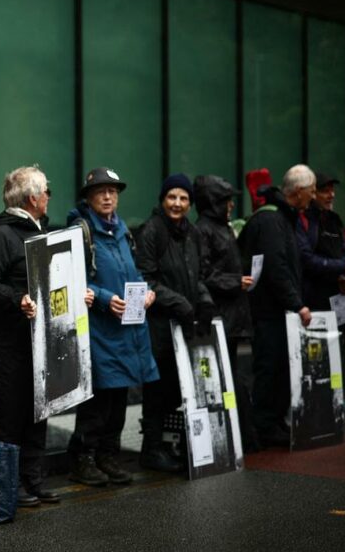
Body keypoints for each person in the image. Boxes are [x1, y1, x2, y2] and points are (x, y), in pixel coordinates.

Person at [0, 166, 93, 507]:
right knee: (10, 413)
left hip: (40, 340)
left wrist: (78, 295)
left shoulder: (39, 231)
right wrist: (17, 299)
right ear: (32, 198)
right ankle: (8, 484)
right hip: (10, 342)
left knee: (39, 409)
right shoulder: (3, 235)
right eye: (46, 192)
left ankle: (33, 480)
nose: (48, 198)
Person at [65, 167, 157, 487]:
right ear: (88, 197)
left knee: (118, 398)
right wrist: (105, 299)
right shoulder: (81, 231)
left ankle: (108, 455)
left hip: (127, 329)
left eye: (113, 192)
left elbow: (132, 272)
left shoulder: (122, 231)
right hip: (98, 329)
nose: (108, 197)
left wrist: (146, 292)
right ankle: (83, 458)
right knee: (97, 398)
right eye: (101, 192)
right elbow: (74, 280)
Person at [135, 174, 214, 472]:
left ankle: (169, 445)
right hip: (158, 325)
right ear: (162, 200)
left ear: (190, 203)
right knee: (157, 389)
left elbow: (199, 276)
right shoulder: (151, 231)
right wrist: (180, 303)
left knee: (176, 389)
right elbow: (145, 279)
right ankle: (151, 449)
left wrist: (204, 301)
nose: (177, 204)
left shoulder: (192, 233)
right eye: (172, 197)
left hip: (185, 324)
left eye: (183, 198)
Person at [238, 164, 314, 447]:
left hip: (275, 310)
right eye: (311, 190)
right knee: (270, 368)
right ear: (298, 192)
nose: (314, 195)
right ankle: (265, 426)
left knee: (280, 367)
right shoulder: (272, 220)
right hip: (268, 312)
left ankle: (272, 424)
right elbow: (276, 267)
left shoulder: (281, 218)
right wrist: (297, 304)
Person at [193, 175, 257, 450]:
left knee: (231, 378)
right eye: (225, 200)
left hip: (231, 315)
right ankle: (230, 439)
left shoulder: (221, 227)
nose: (231, 205)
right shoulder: (205, 229)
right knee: (224, 378)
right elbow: (203, 273)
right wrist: (235, 281)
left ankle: (239, 438)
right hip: (221, 316)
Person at [299, 171, 345, 311]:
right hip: (312, 299)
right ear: (313, 194)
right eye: (325, 191)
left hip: (338, 295)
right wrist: (342, 267)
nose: (332, 195)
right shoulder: (304, 220)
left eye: (332, 191)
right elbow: (307, 260)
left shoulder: (334, 219)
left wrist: (343, 274)